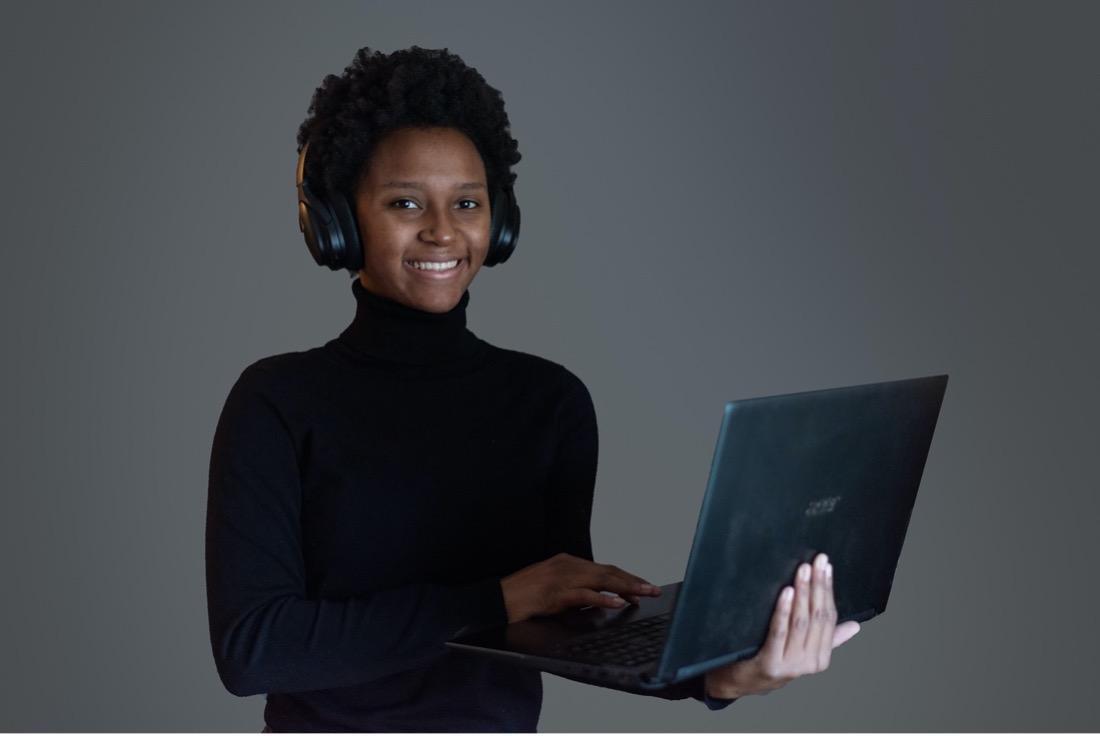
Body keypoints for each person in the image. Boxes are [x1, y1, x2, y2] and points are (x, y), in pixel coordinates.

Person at [205, 45, 860, 733]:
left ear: (500, 221)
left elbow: (556, 627)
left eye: (467, 202)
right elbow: (254, 651)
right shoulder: (278, 401)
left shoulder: (549, 403)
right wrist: (496, 598)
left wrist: (723, 674)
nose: (442, 230)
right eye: (404, 202)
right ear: (339, 221)